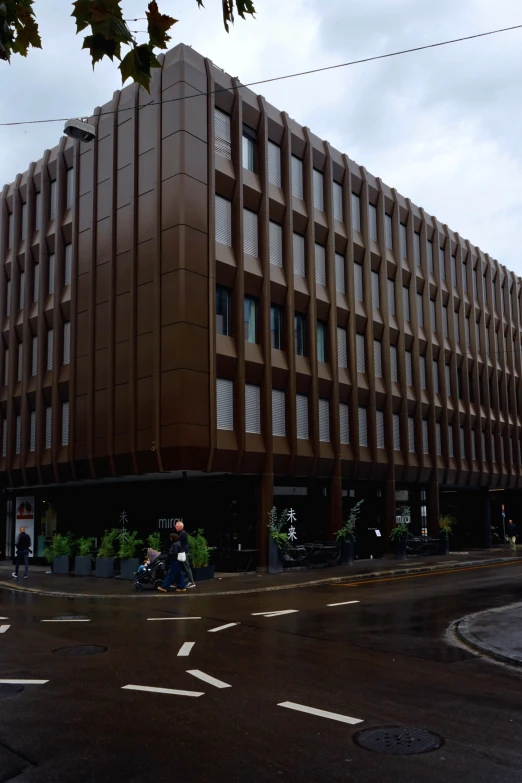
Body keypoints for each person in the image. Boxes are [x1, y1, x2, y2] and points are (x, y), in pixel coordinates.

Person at [175, 520, 196, 588]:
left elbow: (180, 544)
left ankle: (192, 582)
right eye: (176, 526)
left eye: (177, 526)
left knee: (186, 567)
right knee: (181, 567)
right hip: (182, 553)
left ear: (181, 526)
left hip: (183, 553)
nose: (176, 527)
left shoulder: (182, 533)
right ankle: (178, 582)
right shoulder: (182, 533)